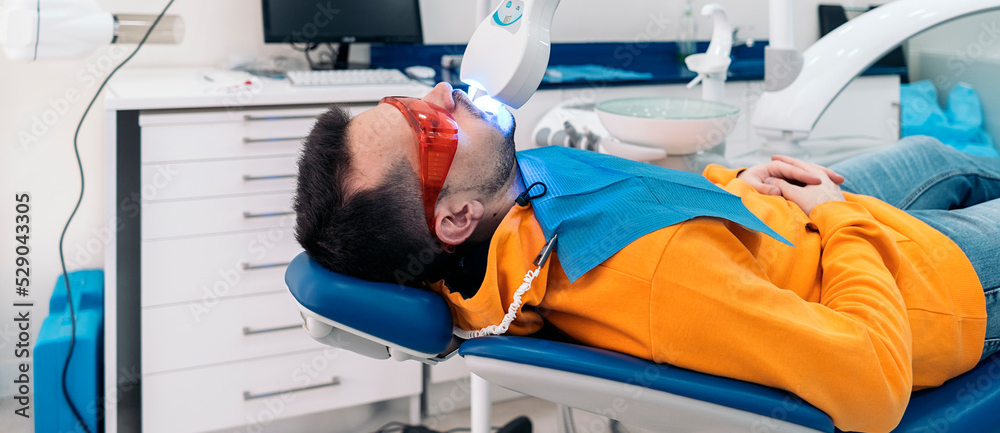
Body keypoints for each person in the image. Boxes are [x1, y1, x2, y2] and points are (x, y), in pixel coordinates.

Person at [293, 82, 999, 433]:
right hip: (924, 289)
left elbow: (648, 196)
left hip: (775, 220)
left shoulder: (514, 198)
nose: (444, 93)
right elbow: (873, 385)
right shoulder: (650, 273)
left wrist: (733, 186)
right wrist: (842, 219)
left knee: (931, 152)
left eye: (408, 100)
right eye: (429, 126)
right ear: (454, 219)